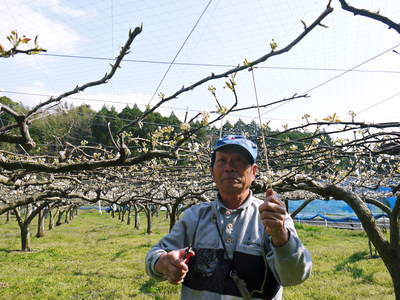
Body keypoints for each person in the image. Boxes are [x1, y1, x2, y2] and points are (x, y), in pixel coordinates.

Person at [145, 135, 312, 300]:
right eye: (222, 160)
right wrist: (161, 262)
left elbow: (295, 277)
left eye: (239, 160)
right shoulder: (194, 216)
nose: (229, 167)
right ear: (212, 171)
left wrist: (280, 236)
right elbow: (155, 254)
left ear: (254, 172)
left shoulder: (272, 217)